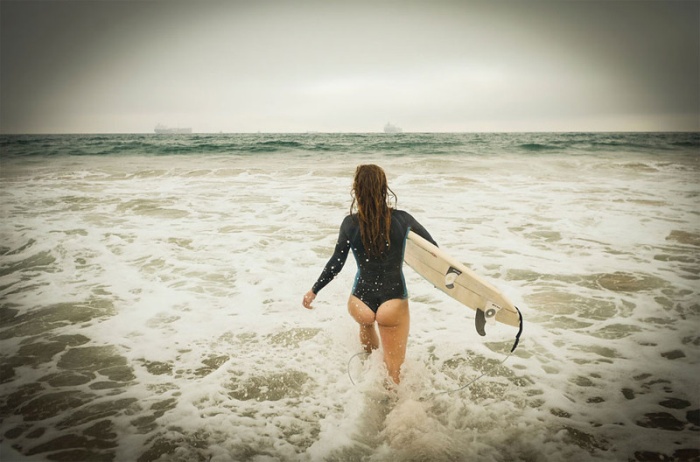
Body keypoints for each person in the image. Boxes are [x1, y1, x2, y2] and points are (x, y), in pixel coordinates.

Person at [302, 164, 437, 384]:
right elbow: (433, 250)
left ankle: (369, 383)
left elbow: (336, 263)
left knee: (369, 346)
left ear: (357, 190)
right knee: (395, 374)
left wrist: (313, 290)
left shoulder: (349, 223)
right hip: (392, 302)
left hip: (360, 302)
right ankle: (392, 409)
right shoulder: (402, 220)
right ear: (384, 188)